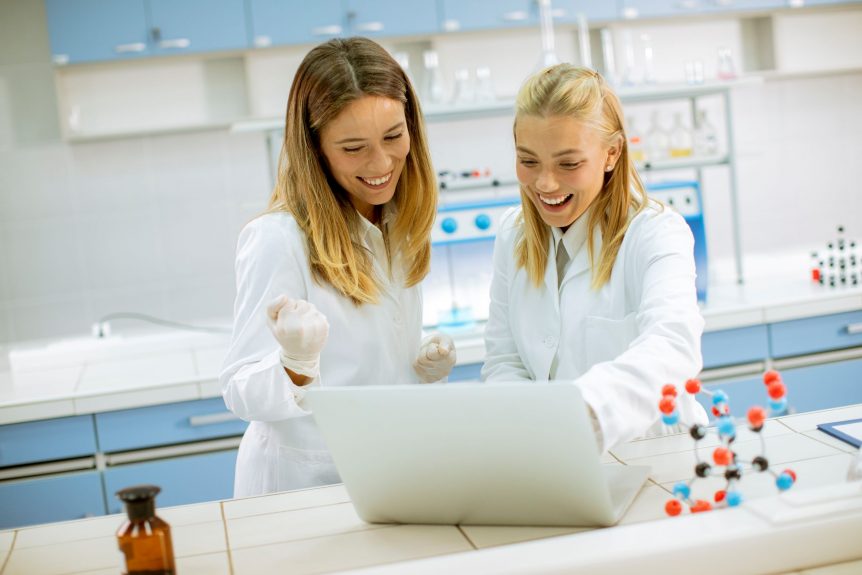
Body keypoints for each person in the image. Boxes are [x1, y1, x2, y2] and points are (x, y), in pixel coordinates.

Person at [221, 37, 456, 498]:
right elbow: (238, 388)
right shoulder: (278, 238)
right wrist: (295, 366)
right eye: (353, 148)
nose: (382, 163)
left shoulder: (396, 222)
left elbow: (362, 369)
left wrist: (416, 369)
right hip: (305, 487)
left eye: (393, 136)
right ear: (316, 150)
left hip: (390, 475)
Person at [481, 64, 707, 452]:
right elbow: (505, 361)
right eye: (529, 161)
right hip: (556, 459)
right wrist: (528, 425)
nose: (545, 184)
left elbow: (672, 345)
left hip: (659, 459)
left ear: (612, 153)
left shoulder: (655, 232)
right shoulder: (513, 234)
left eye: (569, 164)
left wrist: (580, 410)